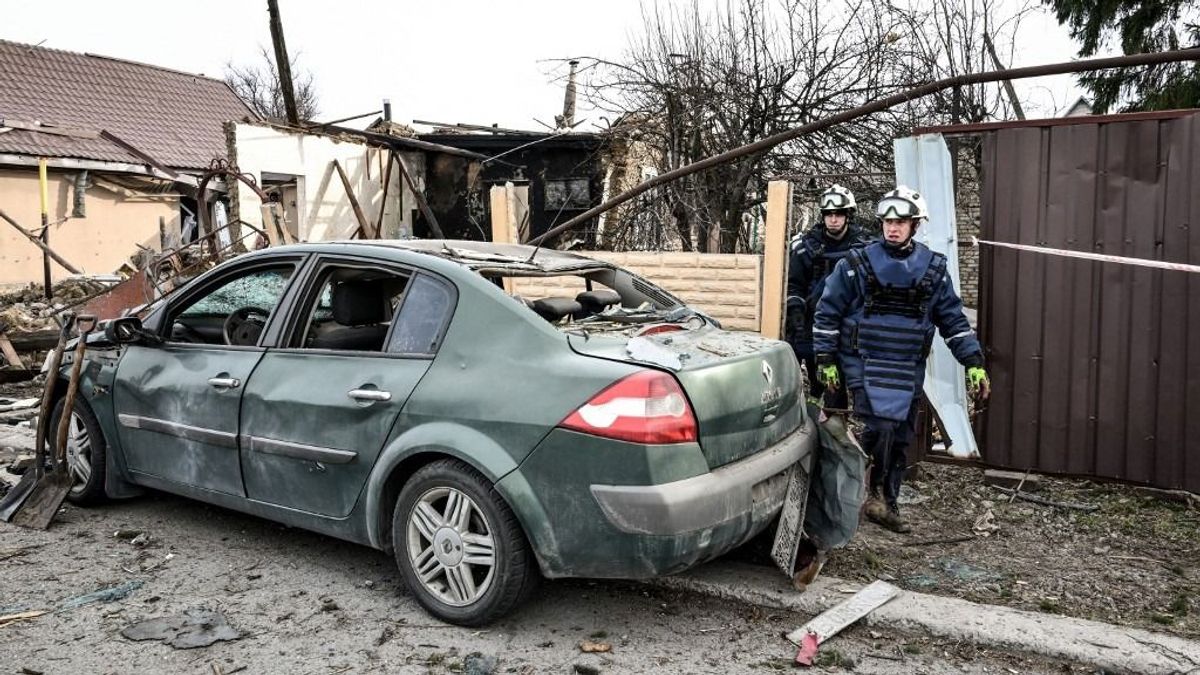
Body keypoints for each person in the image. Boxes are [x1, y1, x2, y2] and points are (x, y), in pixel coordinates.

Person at [812, 185, 990, 533]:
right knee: (877, 426)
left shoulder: (933, 270)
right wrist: (825, 358)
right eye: (888, 221)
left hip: (906, 364)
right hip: (862, 359)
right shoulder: (856, 264)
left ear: (915, 225)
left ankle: (886, 502)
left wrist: (973, 363)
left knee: (900, 434)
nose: (892, 228)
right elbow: (827, 312)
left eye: (901, 221)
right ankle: (855, 498)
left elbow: (953, 320)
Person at [786, 184, 872, 405]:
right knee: (821, 377)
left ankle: (840, 417)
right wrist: (796, 312)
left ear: (848, 216)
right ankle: (819, 411)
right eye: (829, 214)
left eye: (839, 214)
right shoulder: (806, 247)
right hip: (814, 322)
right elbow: (794, 285)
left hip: (852, 323)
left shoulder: (864, 248)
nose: (833, 219)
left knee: (848, 382)